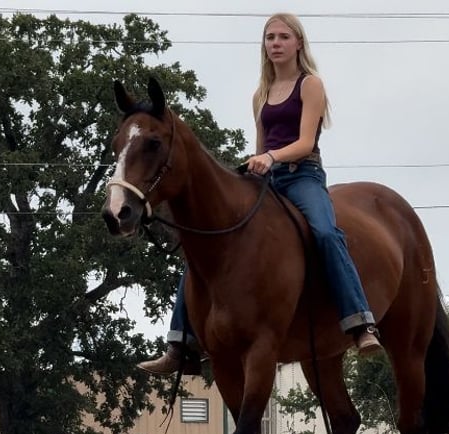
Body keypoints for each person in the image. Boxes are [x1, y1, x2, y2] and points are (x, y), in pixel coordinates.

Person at [137, 12, 381, 376]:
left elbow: (303, 142)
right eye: (270, 38)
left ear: (298, 43)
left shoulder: (310, 85)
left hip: (303, 175)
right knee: (203, 245)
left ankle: (360, 322)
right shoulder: (261, 94)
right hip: (267, 179)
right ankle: (179, 343)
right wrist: (256, 164)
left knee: (327, 233)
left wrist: (270, 157)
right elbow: (260, 145)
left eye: (283, 37)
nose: (276, 44)